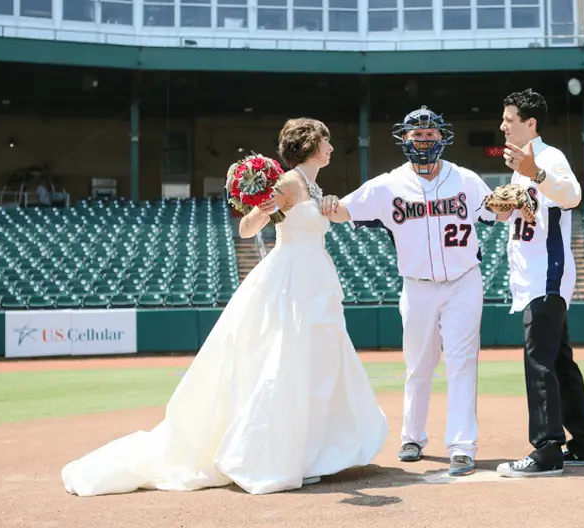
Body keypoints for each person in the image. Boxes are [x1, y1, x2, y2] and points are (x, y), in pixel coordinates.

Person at [60, 118, 388, 497]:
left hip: (314, 277)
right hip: (292, 278)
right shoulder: (290, 183)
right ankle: (275, 456)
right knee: (288, 362)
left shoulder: (312, 186)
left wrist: (331, 206)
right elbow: (247, 229)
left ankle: (309, 454)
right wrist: (264, 210)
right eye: (327, 140)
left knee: (315, 362)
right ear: (313, 145)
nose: (332, 146)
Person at [327, 106, 497, 477]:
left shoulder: (466, 179)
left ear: (442, 137)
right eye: (417, 135)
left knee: (462, 363)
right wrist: (322, 202)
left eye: (430, 135)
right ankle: (412, 437)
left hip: (464, 281)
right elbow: (341, 211)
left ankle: (462, 446)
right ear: (404, 139)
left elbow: (495, 212)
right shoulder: (387, 185)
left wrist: (510, 202)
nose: (423, 140)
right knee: (418, 365)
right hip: (417, 286)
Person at [492, 89, 584, 478]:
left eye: (509, 118)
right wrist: (507, 206)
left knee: (539, 361)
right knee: (559, 361)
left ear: (530, 123)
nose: (503, 125)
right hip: (534, 274)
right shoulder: (519, 165)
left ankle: (546, 450)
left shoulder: (549, 157)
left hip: (547, 273)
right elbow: (531, 212)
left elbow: (572, 196)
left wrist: (534, 172)